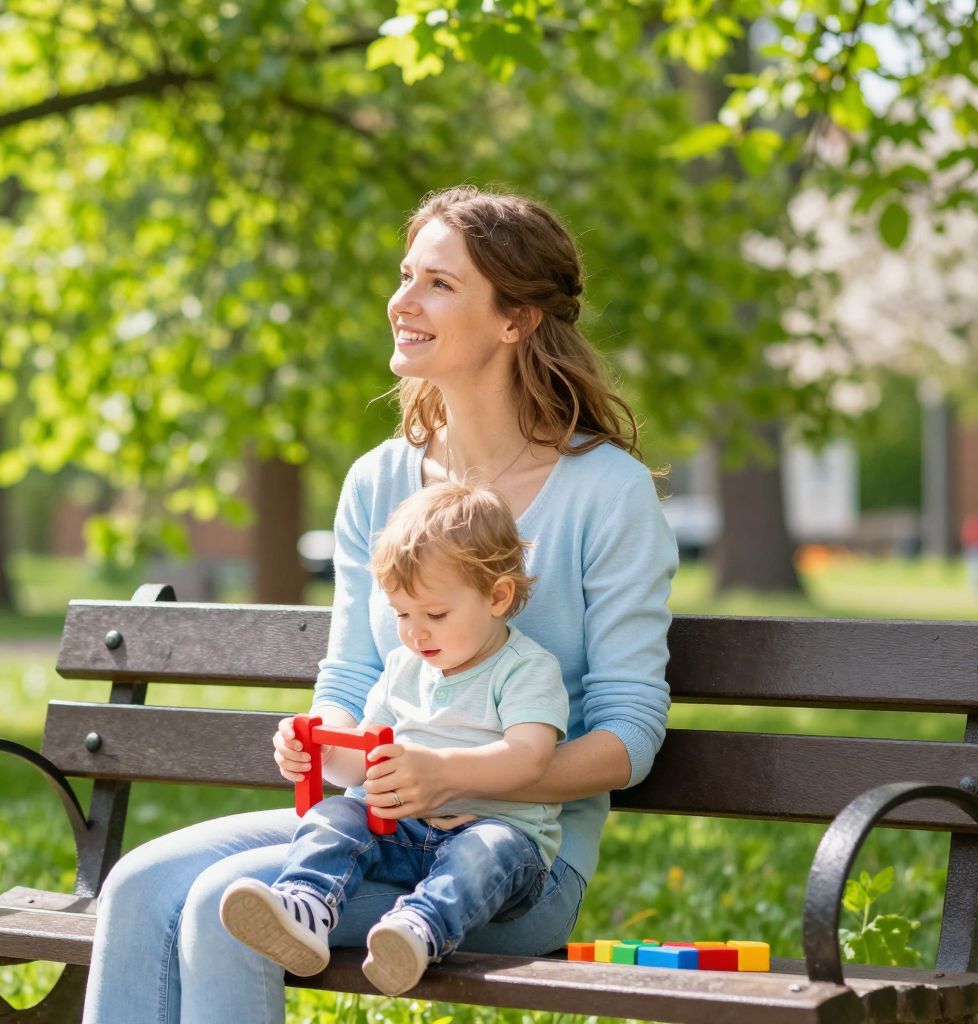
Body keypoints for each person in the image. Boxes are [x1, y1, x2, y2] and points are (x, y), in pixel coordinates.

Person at [83, 185, 678, 1024]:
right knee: (139, 883)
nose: (403, 302)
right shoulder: (379, 481)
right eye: (406, 275)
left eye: (439, 284)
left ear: (516, 320)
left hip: (506, 867)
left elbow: (629, 736)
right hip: (375, 831)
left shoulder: (605, 493)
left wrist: (457, 777)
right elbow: (352, 674)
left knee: (228, 905)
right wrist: (327, 748)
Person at [219, 481, 568, 996]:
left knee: (481, 852)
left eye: (436, 615)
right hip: (401, 831)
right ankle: (306, 908)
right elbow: (362, 762)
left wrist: (442, 772)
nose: (416, 633)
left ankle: (416, 932)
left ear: (497, 596)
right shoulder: (404, 667)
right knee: (335, 815)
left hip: (498, 835)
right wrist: (319, 753)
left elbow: (530, 757)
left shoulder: (525, 669)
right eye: (402, 614)